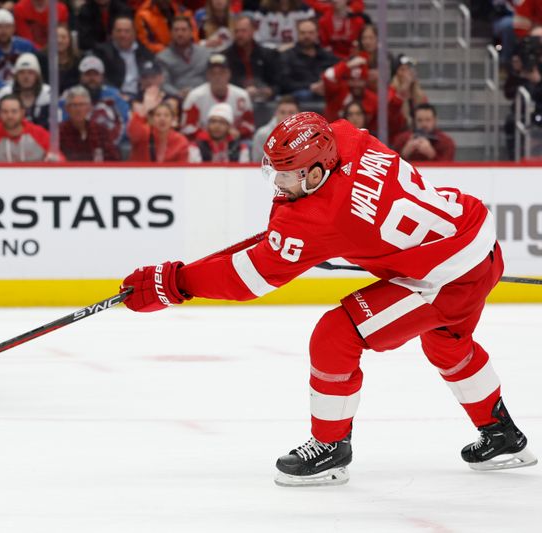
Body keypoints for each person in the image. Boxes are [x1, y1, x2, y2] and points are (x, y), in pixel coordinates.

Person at [119, 111, 537, 486]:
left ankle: (331, 446)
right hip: (472, 234)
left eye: (286, 174)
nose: (277, 184)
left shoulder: (317, 218)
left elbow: (249, 278)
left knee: (335, 334)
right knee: (448, 343)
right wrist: (324, 243)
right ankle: (503, 435)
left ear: (316, 173)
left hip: (446, 277)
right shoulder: (345, 137)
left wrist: (172, 283)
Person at [180, 53, 254, 140]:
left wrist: (239, 132)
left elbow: (250, 125)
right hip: (203, 144)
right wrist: (210, 136)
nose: (217, 77)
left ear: (229, 74)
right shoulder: (195, 97)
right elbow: (187, 128)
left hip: (234, 142)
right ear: (208, 75)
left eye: (221, 72)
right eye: (213, 73)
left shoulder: (241, 96)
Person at [93, 16, 156, 99]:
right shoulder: (102, 52)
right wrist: (117, 94)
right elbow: (100, 79)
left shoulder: (145, 53)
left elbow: (153, 77)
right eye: (119, 31)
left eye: (127, 31)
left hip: (140, 97)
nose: (122, 35)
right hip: (113, 96)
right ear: (112, 33)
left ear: (134, 34)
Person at [224, 14, 281, 102]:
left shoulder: (267, 54)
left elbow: (277, 82)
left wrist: (271, 91)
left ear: (253, 30)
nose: (239, 35)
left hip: (265, 99)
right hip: (235, 99)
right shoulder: (226, 56)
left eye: (243, 31)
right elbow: (225, 83)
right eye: (236, 31)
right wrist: (243, 90)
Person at [280, 18, 337, 103]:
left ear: (317, 34)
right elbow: (285, 83)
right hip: (300, 96)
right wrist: (310, 86)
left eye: (311, 33)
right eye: (303, 33)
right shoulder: (288, 56)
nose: (307, 36)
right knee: (304, 94)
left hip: (324, 93)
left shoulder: (327, 56)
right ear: (297, 34)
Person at [0, 94, 51, 162]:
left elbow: (57, 160)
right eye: (5, 112)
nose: (9, 116)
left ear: (22, 112)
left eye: (14, 111)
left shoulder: (40, 134)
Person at [59, 85, 120, 161]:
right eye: (74, 105)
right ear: (67, 109)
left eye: (82, 105)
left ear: (89, 107)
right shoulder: (59, 132)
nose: (78, 109)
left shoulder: (100, 130)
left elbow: (113, 158)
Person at [157, 15, 211, 99]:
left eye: (184, 30)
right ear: (171, 33)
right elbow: (164, 84)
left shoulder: (205, 53)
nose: (180, 33)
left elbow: (212, 78)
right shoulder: (162, 58)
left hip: (204, 97)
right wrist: (177, 93)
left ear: (191, 32)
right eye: (176, 30)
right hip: (177, 99)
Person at [127, 90, 190, 162]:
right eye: (158, 115)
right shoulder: (144, 133)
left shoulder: (180, 141)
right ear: (151, 119)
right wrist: (144, 110)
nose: (162, 119)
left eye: (166, 115)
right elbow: (134, 133)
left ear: (173, 120)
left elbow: (182, 169)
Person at [0, 52, 52, 129]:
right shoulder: (5, 93)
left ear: (37, 76)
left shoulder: (48, 94)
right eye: (21, 73)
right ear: (15, 76)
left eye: (30, 73)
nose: (26, 77)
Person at [392, 103, 456, 162]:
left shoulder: (446, 142)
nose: (424, 124)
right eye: (419, 120)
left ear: (435, 120)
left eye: (428, 120)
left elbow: (448, 169)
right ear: (414, 121)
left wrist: (432, 155)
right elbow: (390, 166)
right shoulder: (401, 140)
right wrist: (404, 154)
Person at [135, 0, 199, 54]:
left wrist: (189, 46)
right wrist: (170, 52)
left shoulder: (180, 9)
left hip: (188, 51)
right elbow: (147, 43)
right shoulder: (143, 16)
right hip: (162, 57)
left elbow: (193, 32)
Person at [251, 95, 299, 161]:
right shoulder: (262, 134)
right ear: (276, 114)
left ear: (298, 114)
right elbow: (257, 163)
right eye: (282, 112)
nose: (287, 116)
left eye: (291, 113)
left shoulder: (306, 134)